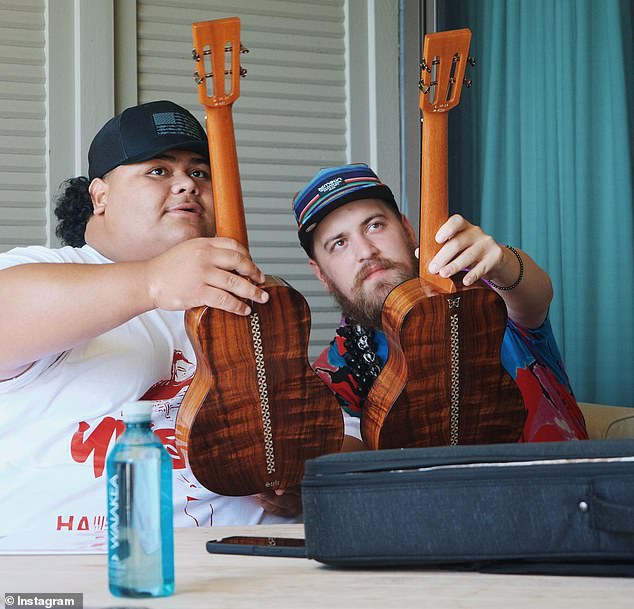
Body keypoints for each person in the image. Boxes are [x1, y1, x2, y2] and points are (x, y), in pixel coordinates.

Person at [0, 100, 354, 546]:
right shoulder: (42, 270)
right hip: (99, 579)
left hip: (263, 571)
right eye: (158, 171)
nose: (187, 184)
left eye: (200, 172)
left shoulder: (253, 298)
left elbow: (335, 438)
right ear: (100, 196)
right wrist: (153, 280)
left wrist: (303, 476)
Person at [292, 163, 588, 443]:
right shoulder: (332, 372)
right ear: (321, 274)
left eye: (374, 226)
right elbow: (340, 456)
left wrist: (503, 261)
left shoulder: (484, 290)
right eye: (339, 243)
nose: (365, 251)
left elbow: (535, 296)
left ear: (408, 229)